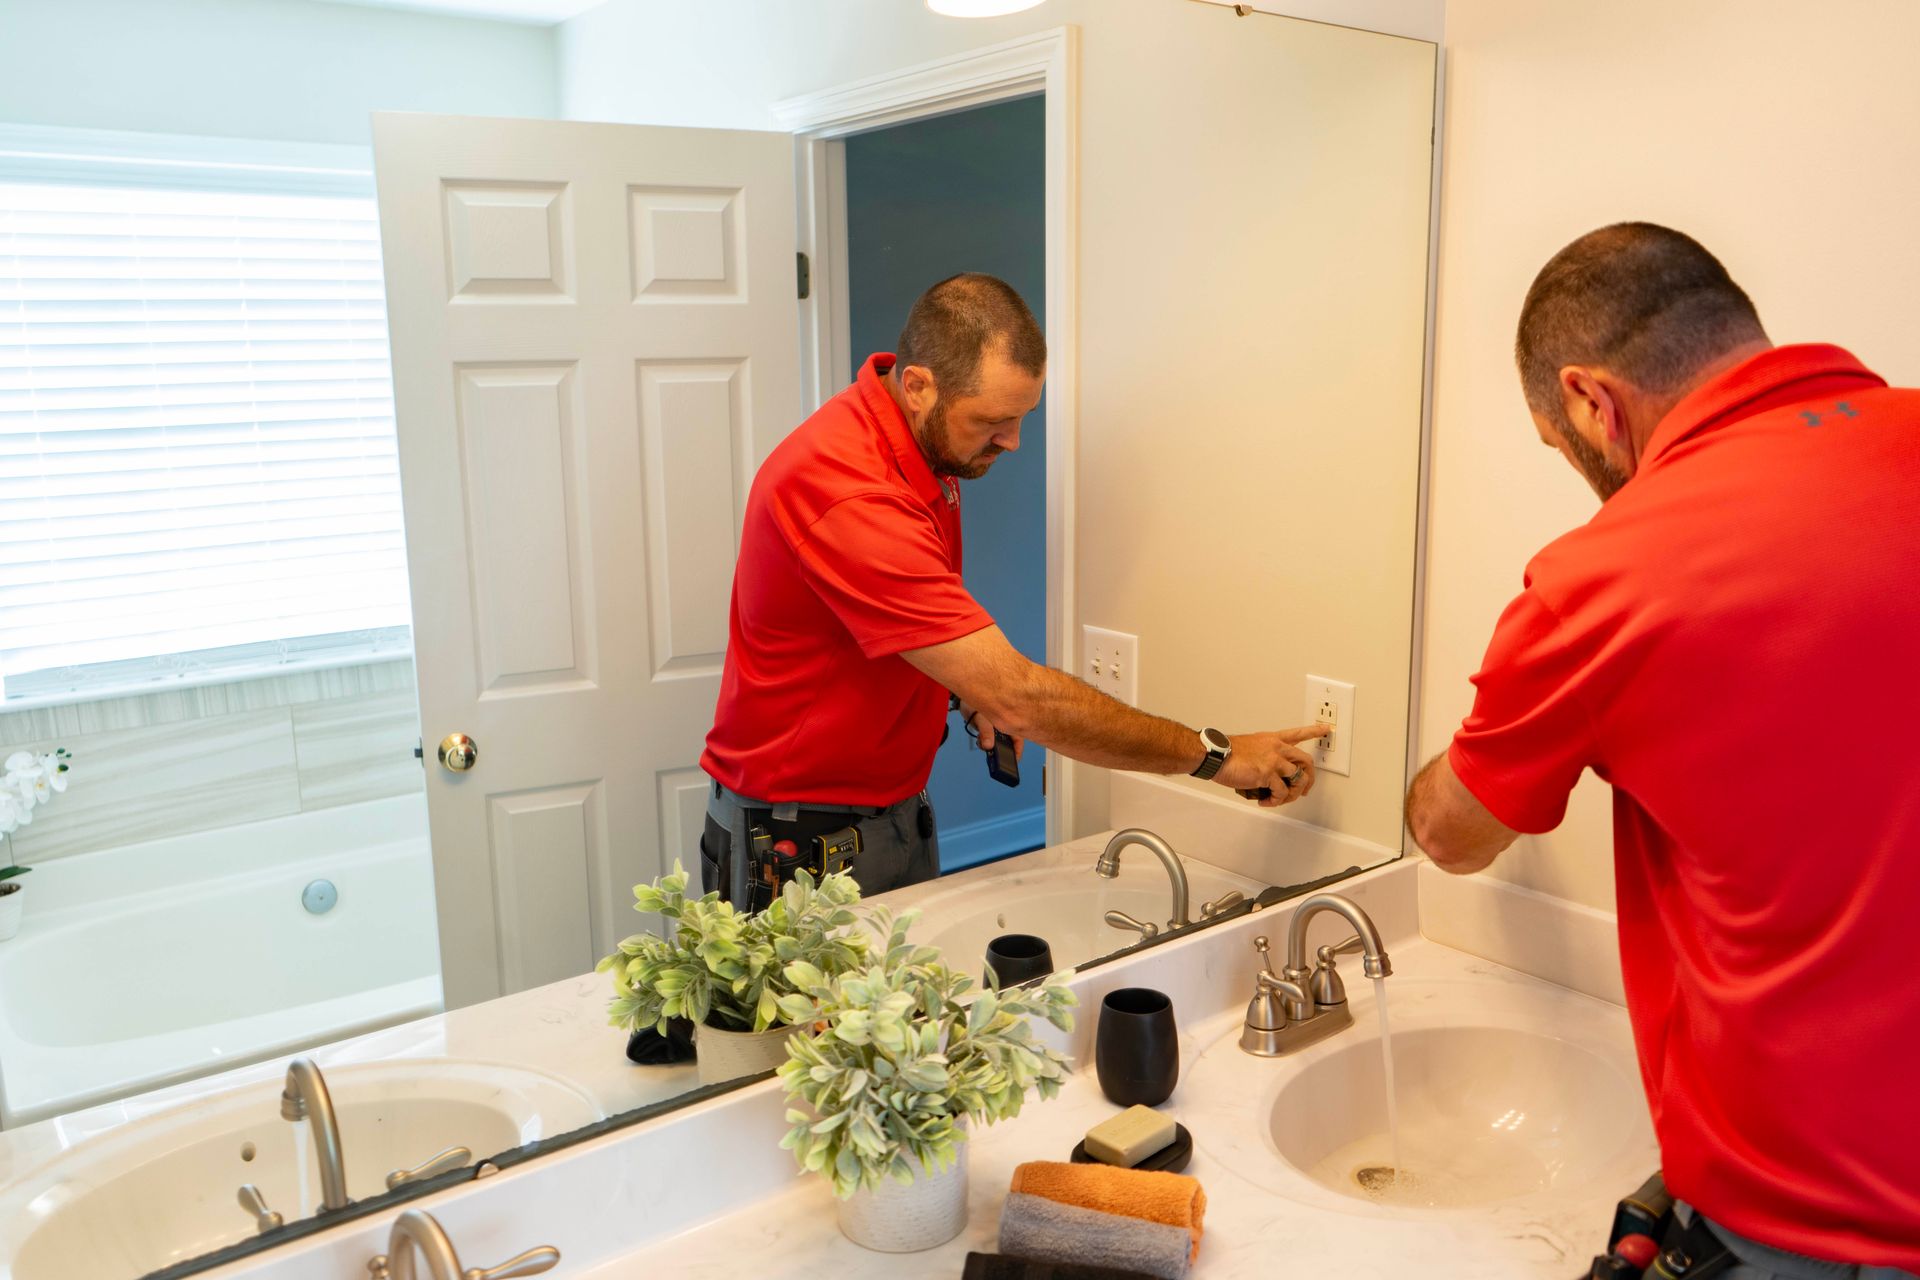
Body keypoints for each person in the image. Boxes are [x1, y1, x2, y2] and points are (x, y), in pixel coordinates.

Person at [1404, 224, 1919, 1276]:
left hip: (1814, 1218)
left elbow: (1453, 834)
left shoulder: (1603, 580)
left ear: (1593, 401)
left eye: (1562, 446)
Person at [698, 272, 1328, 909]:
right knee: (805, 1017)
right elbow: (1021, 697)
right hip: (797, 846)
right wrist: (1216, 756)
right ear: (917, 385)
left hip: (891, 813)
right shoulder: (848, 489)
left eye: (1022, 417)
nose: (1013, 441)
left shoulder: (914, 448)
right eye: (992, 421)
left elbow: (879, 624)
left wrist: (963, 687)